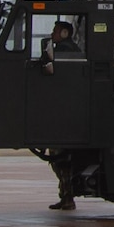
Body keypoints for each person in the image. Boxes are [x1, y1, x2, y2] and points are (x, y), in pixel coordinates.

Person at [39, 21, 84, 211]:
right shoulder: (67, 49)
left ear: (65, 33)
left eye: (56, 31)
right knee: (60, 161)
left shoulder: (66, 50)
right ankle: (66, 196)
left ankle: (67, 197)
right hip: (66, 114)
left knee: (61, 161)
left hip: (63, 116)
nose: (52, 33)